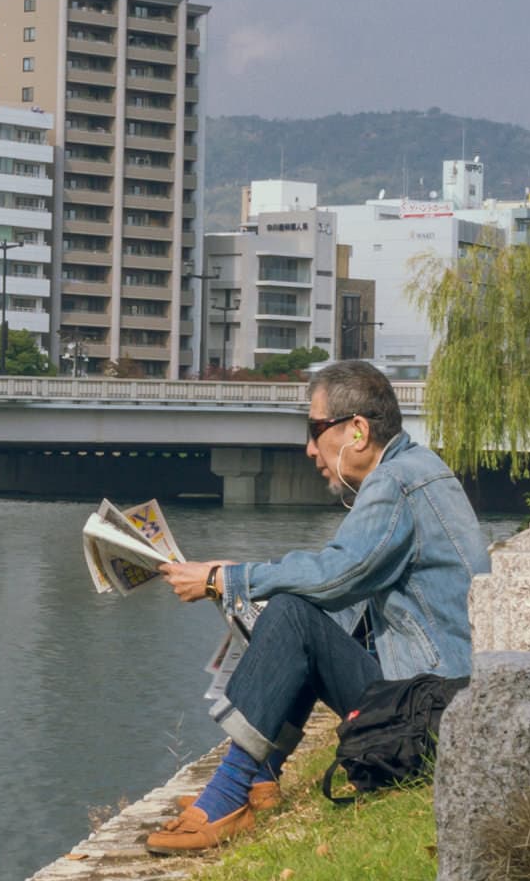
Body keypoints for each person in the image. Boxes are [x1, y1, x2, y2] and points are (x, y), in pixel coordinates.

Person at [147, 359, 490, 854]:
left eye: (314, 430)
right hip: (444, 703)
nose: (309, 449)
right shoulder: (418, 469)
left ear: (357, 430)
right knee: (291, 613)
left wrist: (228, 579)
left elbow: (336, 574)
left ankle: (229, 795)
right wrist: (244, 595)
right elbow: (341, 593)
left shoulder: (394, 482)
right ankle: (257, 779)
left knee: (291, 614)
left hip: (428, 718)